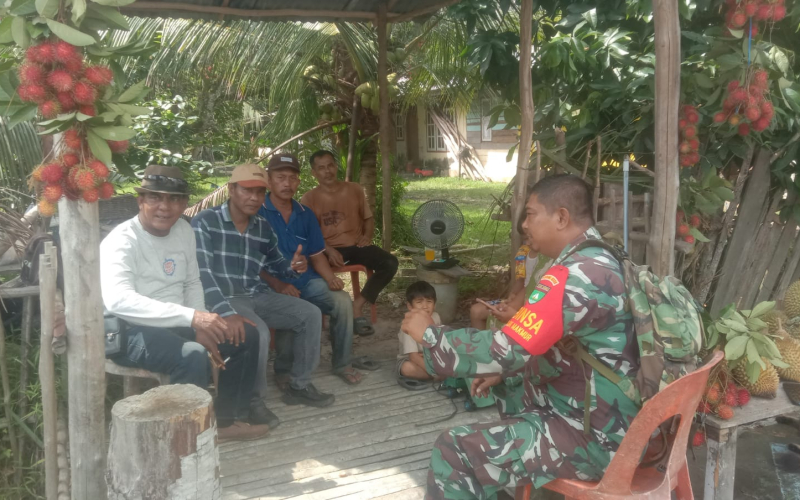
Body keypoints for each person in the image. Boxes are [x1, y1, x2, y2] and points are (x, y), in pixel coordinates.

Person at [400, 174, 641, 498]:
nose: (524, 224)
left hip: (599, 438)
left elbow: (505, 348)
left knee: (453, 450)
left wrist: (430, 335)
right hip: (615, 419)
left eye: (530, 213)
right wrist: (504, 372)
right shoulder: (601, 256)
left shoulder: (574, 276)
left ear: (561, 217)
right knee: (512, 385)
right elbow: (544, 347)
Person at [100, 165, 268, 442]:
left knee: (245, 336)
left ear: (184, 204)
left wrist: (199, 322)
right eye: (155, 198)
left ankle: (227, 421)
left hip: (179, 320)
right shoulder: (122, 240)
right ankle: (186, 436)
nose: (164, 207)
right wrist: (192, 320)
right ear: (141, 200)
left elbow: (192, 282)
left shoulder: (183, 230)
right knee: (191, 355)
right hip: (129, 329)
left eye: (174, 199)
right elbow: (119, 300)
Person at [192, 163, 335, 413]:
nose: (254, 198)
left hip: (258, 294)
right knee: (260, 333)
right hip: (227, 297)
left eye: (259, 192)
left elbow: (277, 264)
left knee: (310, 314)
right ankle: (253, 401)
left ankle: (299, 385)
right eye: (247, 191)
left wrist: (294, 267)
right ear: (231, 190)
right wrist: (224, 312)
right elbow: (201, 274)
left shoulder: (262, 227)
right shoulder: (206, 221)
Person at [258, 154, 378, 386]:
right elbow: (250, 262)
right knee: (293, 307)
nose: (287, 183)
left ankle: (342, 362)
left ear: (299, 182)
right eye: (280, 177)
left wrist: (331, 278)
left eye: (292, 178)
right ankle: (283, 369)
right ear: (269, 181)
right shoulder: (258, 212)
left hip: (305, 280)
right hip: (270, 284)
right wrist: (279, 283)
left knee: (342, 301)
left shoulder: (304, 213)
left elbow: (316, 254)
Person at [300, 150, 398, 336]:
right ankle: (331, 314)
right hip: (326, 249)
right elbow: (309, 235)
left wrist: (367, 236)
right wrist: (327, 249)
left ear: (336, 166)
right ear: (314, 173)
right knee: (309, 269)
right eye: (321, 168)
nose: (327, 171)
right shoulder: (308, 199)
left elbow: (368, 219)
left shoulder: (354, 189)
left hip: (356, 246)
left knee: (390, 263)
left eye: (330, 166)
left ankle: (357, 306)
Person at [396, 281, 441, 387]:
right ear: (410, 306)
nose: (425, 306)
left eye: (429, 301)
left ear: (434, 304)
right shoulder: (408, 325)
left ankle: (436, 374)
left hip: (430, 355)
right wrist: (436, 372)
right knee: (407, 369)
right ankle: (436, 376)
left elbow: (440, 343)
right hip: (412, 359)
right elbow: (413, 357)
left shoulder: (436, 317)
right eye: (419, 302)